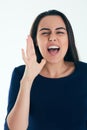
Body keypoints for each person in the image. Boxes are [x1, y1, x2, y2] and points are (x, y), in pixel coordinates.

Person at [4, 9, 87, 130]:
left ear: (68, 39)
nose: (52, 37)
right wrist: (28, 79)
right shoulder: (21, 74)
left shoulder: (85, 73)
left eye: (59, 32)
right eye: (45, 33)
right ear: (36, 41)